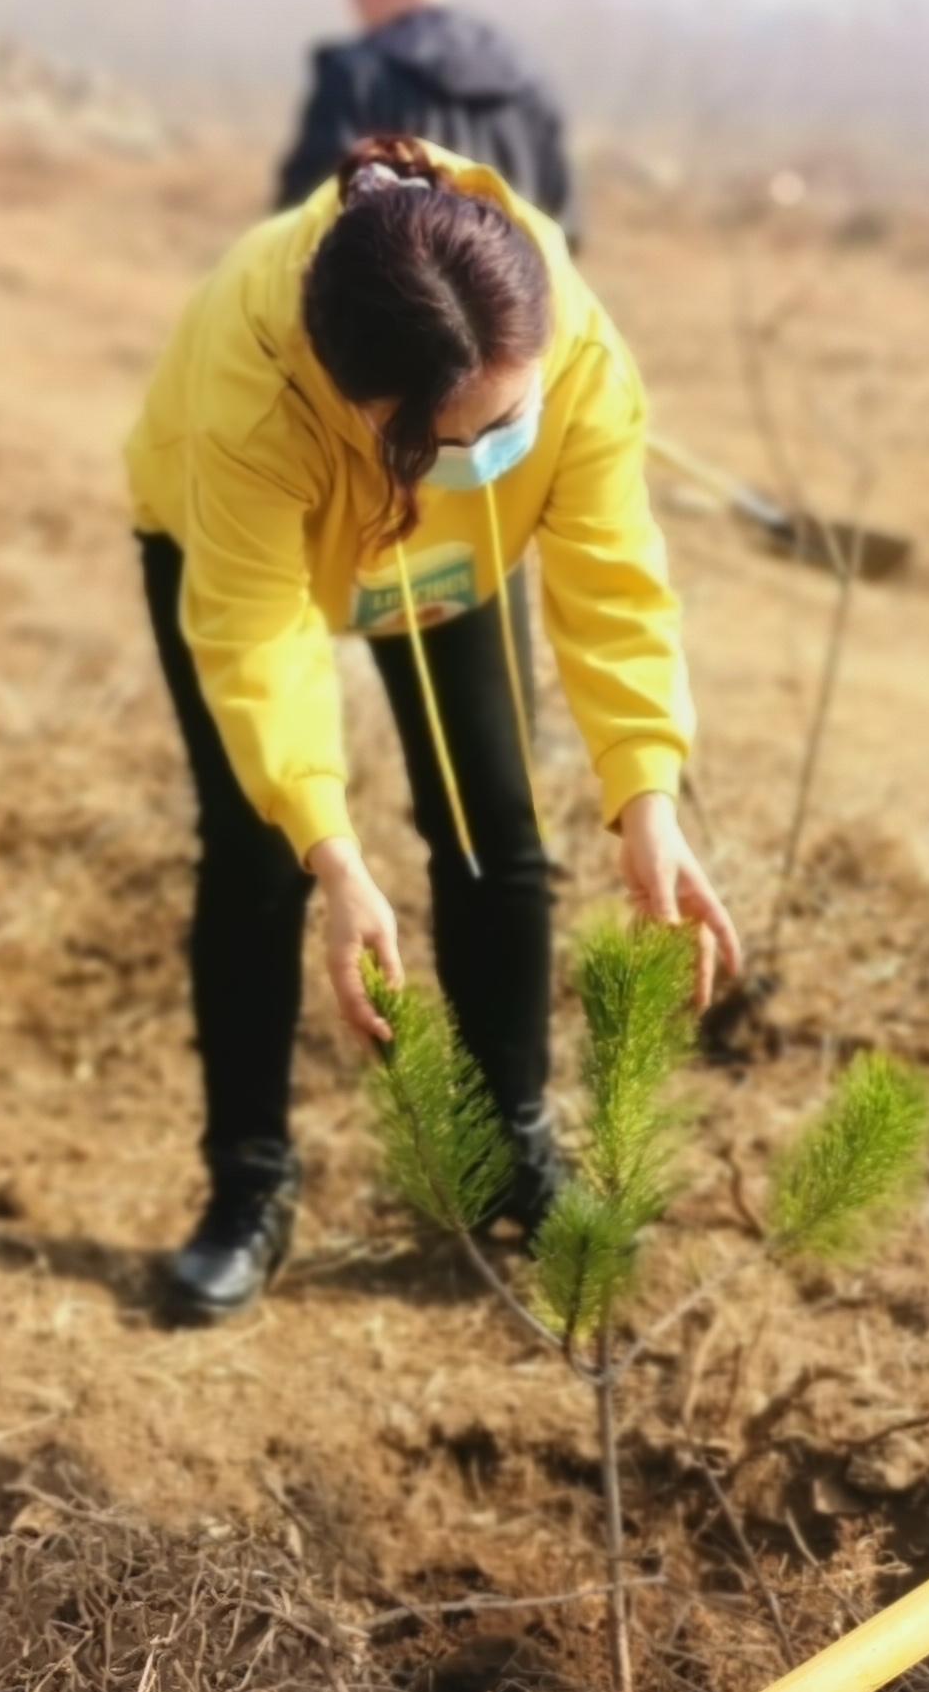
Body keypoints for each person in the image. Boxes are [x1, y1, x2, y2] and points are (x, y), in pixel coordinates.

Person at [128, 133, 738, 1323]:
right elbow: (259, 642)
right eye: (455, 439)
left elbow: (613, 581)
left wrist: (646, 796)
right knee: (256, 853)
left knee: (491, 826)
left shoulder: (568, 342)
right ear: (354, 403)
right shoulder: (253, 391)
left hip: (452, 557)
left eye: (511, 418)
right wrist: (333, 852)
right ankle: (249, 1185)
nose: (493, 449)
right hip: (229, 540)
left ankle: (510, 1151)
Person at [276, 0, 582, 246]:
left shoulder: (355, 79)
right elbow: (564, 235)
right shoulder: (529, 79)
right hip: (523, 280)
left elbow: (299, 229)